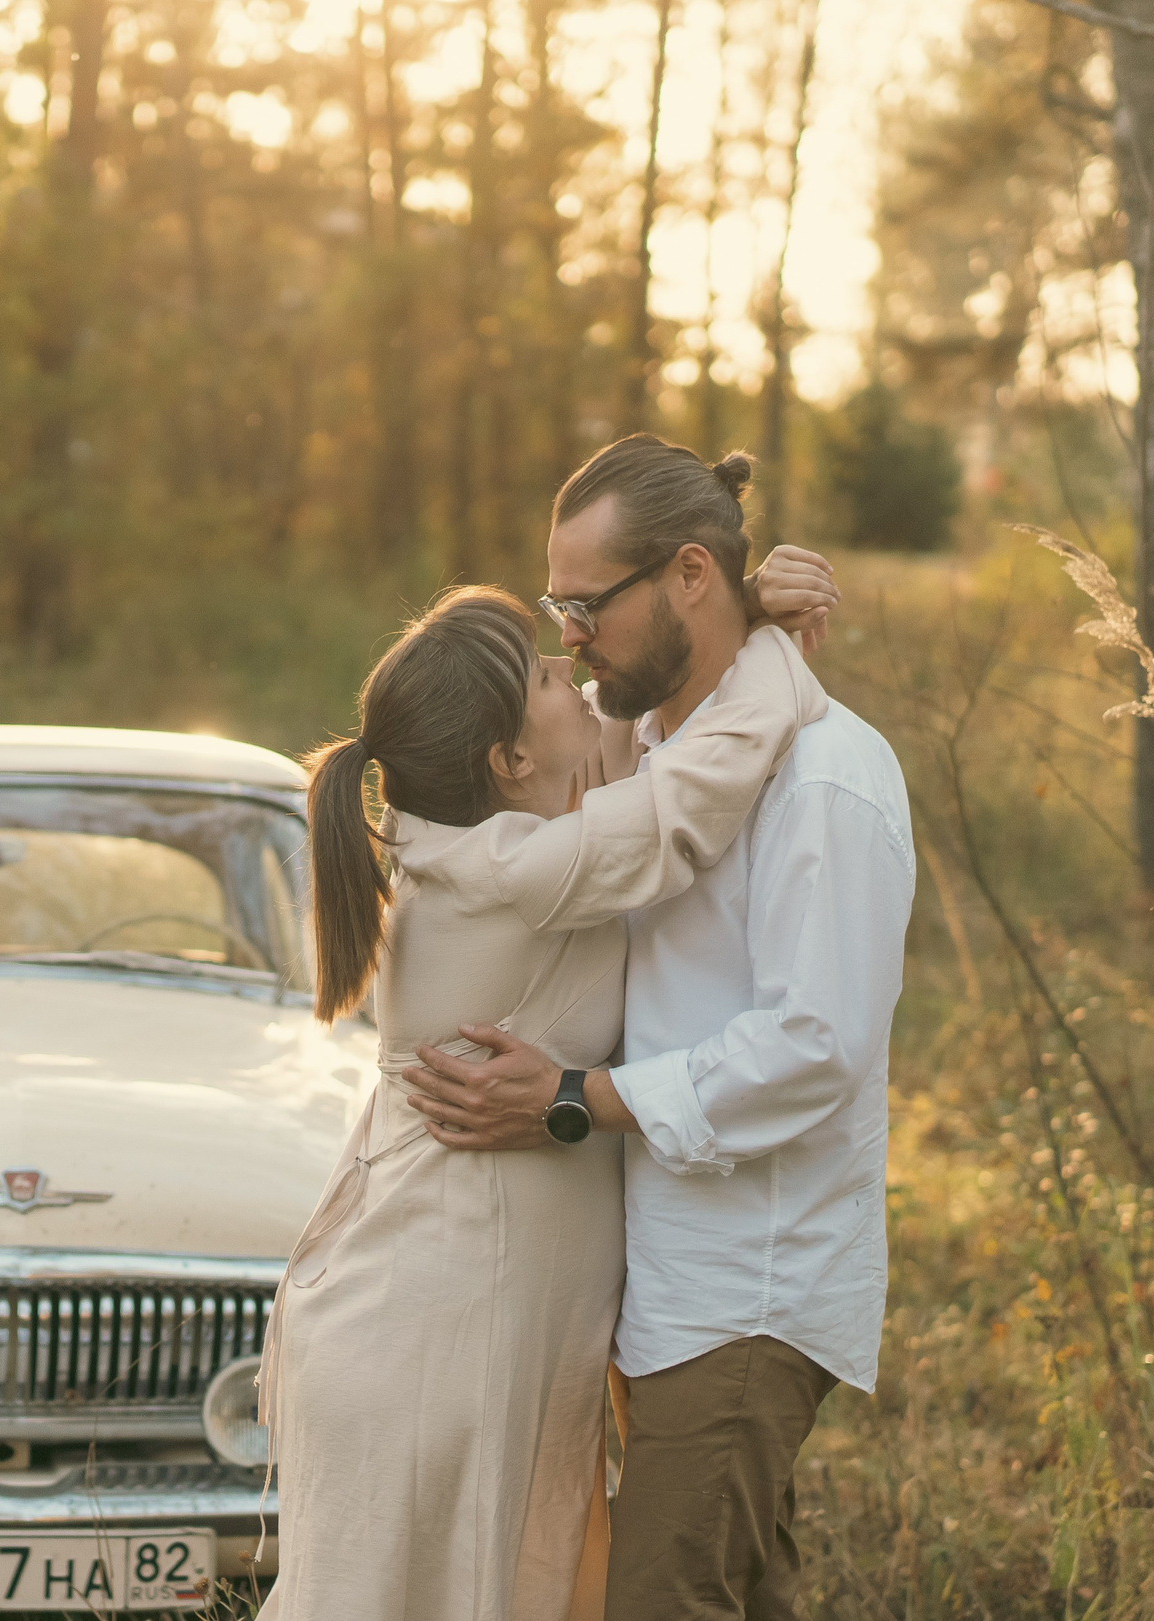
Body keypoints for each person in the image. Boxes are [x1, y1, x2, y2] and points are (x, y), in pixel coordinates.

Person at [256, 544, 835, 1621]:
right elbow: (694, 791)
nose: (574, 672)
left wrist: (726, 610)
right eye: (544, 675)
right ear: (508, 758)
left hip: (461, 1327)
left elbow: (623, 731)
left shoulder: (490, 841)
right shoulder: (514, 871)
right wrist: (755, 646)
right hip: (430, 1343)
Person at [403, 435, 915, 1621]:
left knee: (659, 1600)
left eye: (588, 605)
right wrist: (757, 621)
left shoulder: (825, 781)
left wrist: (572, 1097)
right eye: (558, 608)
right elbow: (498, 760)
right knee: (739, 1590)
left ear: (689, 574)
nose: (571, 636)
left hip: (747, 1288)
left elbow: (813, 1045)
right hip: (660, 1276)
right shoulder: (651, 750)